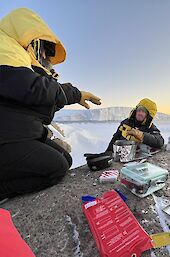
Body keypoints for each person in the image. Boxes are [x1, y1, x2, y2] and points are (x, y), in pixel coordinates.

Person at [0, 8, 101, 200]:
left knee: (66, 159)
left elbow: (33, 102)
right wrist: (74, 94)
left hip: (15, 131)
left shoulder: (16, 54)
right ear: (32, 39)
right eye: (45, 51)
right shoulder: (4, 47)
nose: (45, 58)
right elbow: (34, 89)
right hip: (6, 136)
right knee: (56, 168)